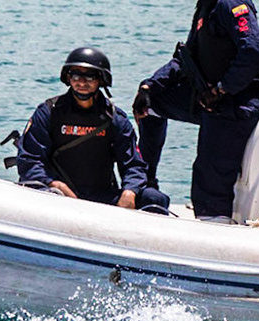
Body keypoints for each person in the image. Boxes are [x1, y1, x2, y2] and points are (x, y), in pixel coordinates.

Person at [133, 0, 259, 220]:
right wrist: (150, 86)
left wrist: (223, 88)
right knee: (151, 104)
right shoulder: (207, 2)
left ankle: (214, 224)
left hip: (234, 104)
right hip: (208, 98)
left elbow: (254, 50)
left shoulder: (230, 2)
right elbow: (186, 60)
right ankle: (145, 183)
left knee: (208, 178)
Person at [17, 46, 167, 211]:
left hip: (100, 195)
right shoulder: (49, 112)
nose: (82, 82)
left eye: (89, 77)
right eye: (76, 75)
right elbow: (30, 160)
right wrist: (53, 183)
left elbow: (133, 165)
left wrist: (130, 191)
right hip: (56, 193)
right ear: (68, 77)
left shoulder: (115, 119)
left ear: (101, 80)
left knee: (155, 198)